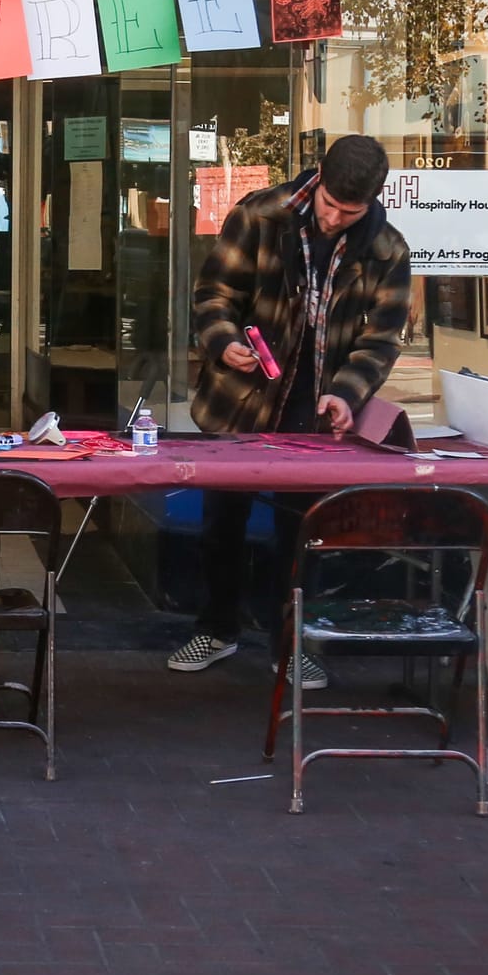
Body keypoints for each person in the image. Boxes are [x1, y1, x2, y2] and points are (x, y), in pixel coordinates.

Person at [167, 135, 412, 688]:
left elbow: (380, 341)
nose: (333, 219)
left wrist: (346, 394)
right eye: (330, 204)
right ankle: (216, 628)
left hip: (314, 410)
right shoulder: (259, 215)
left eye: (350, 213)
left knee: (299, 532)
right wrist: (224, 339)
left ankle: (289, 642)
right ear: (318, 175)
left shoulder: (388, 250)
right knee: (222, 522)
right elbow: (213, 293)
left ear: (373, 200)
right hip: (239, 398)